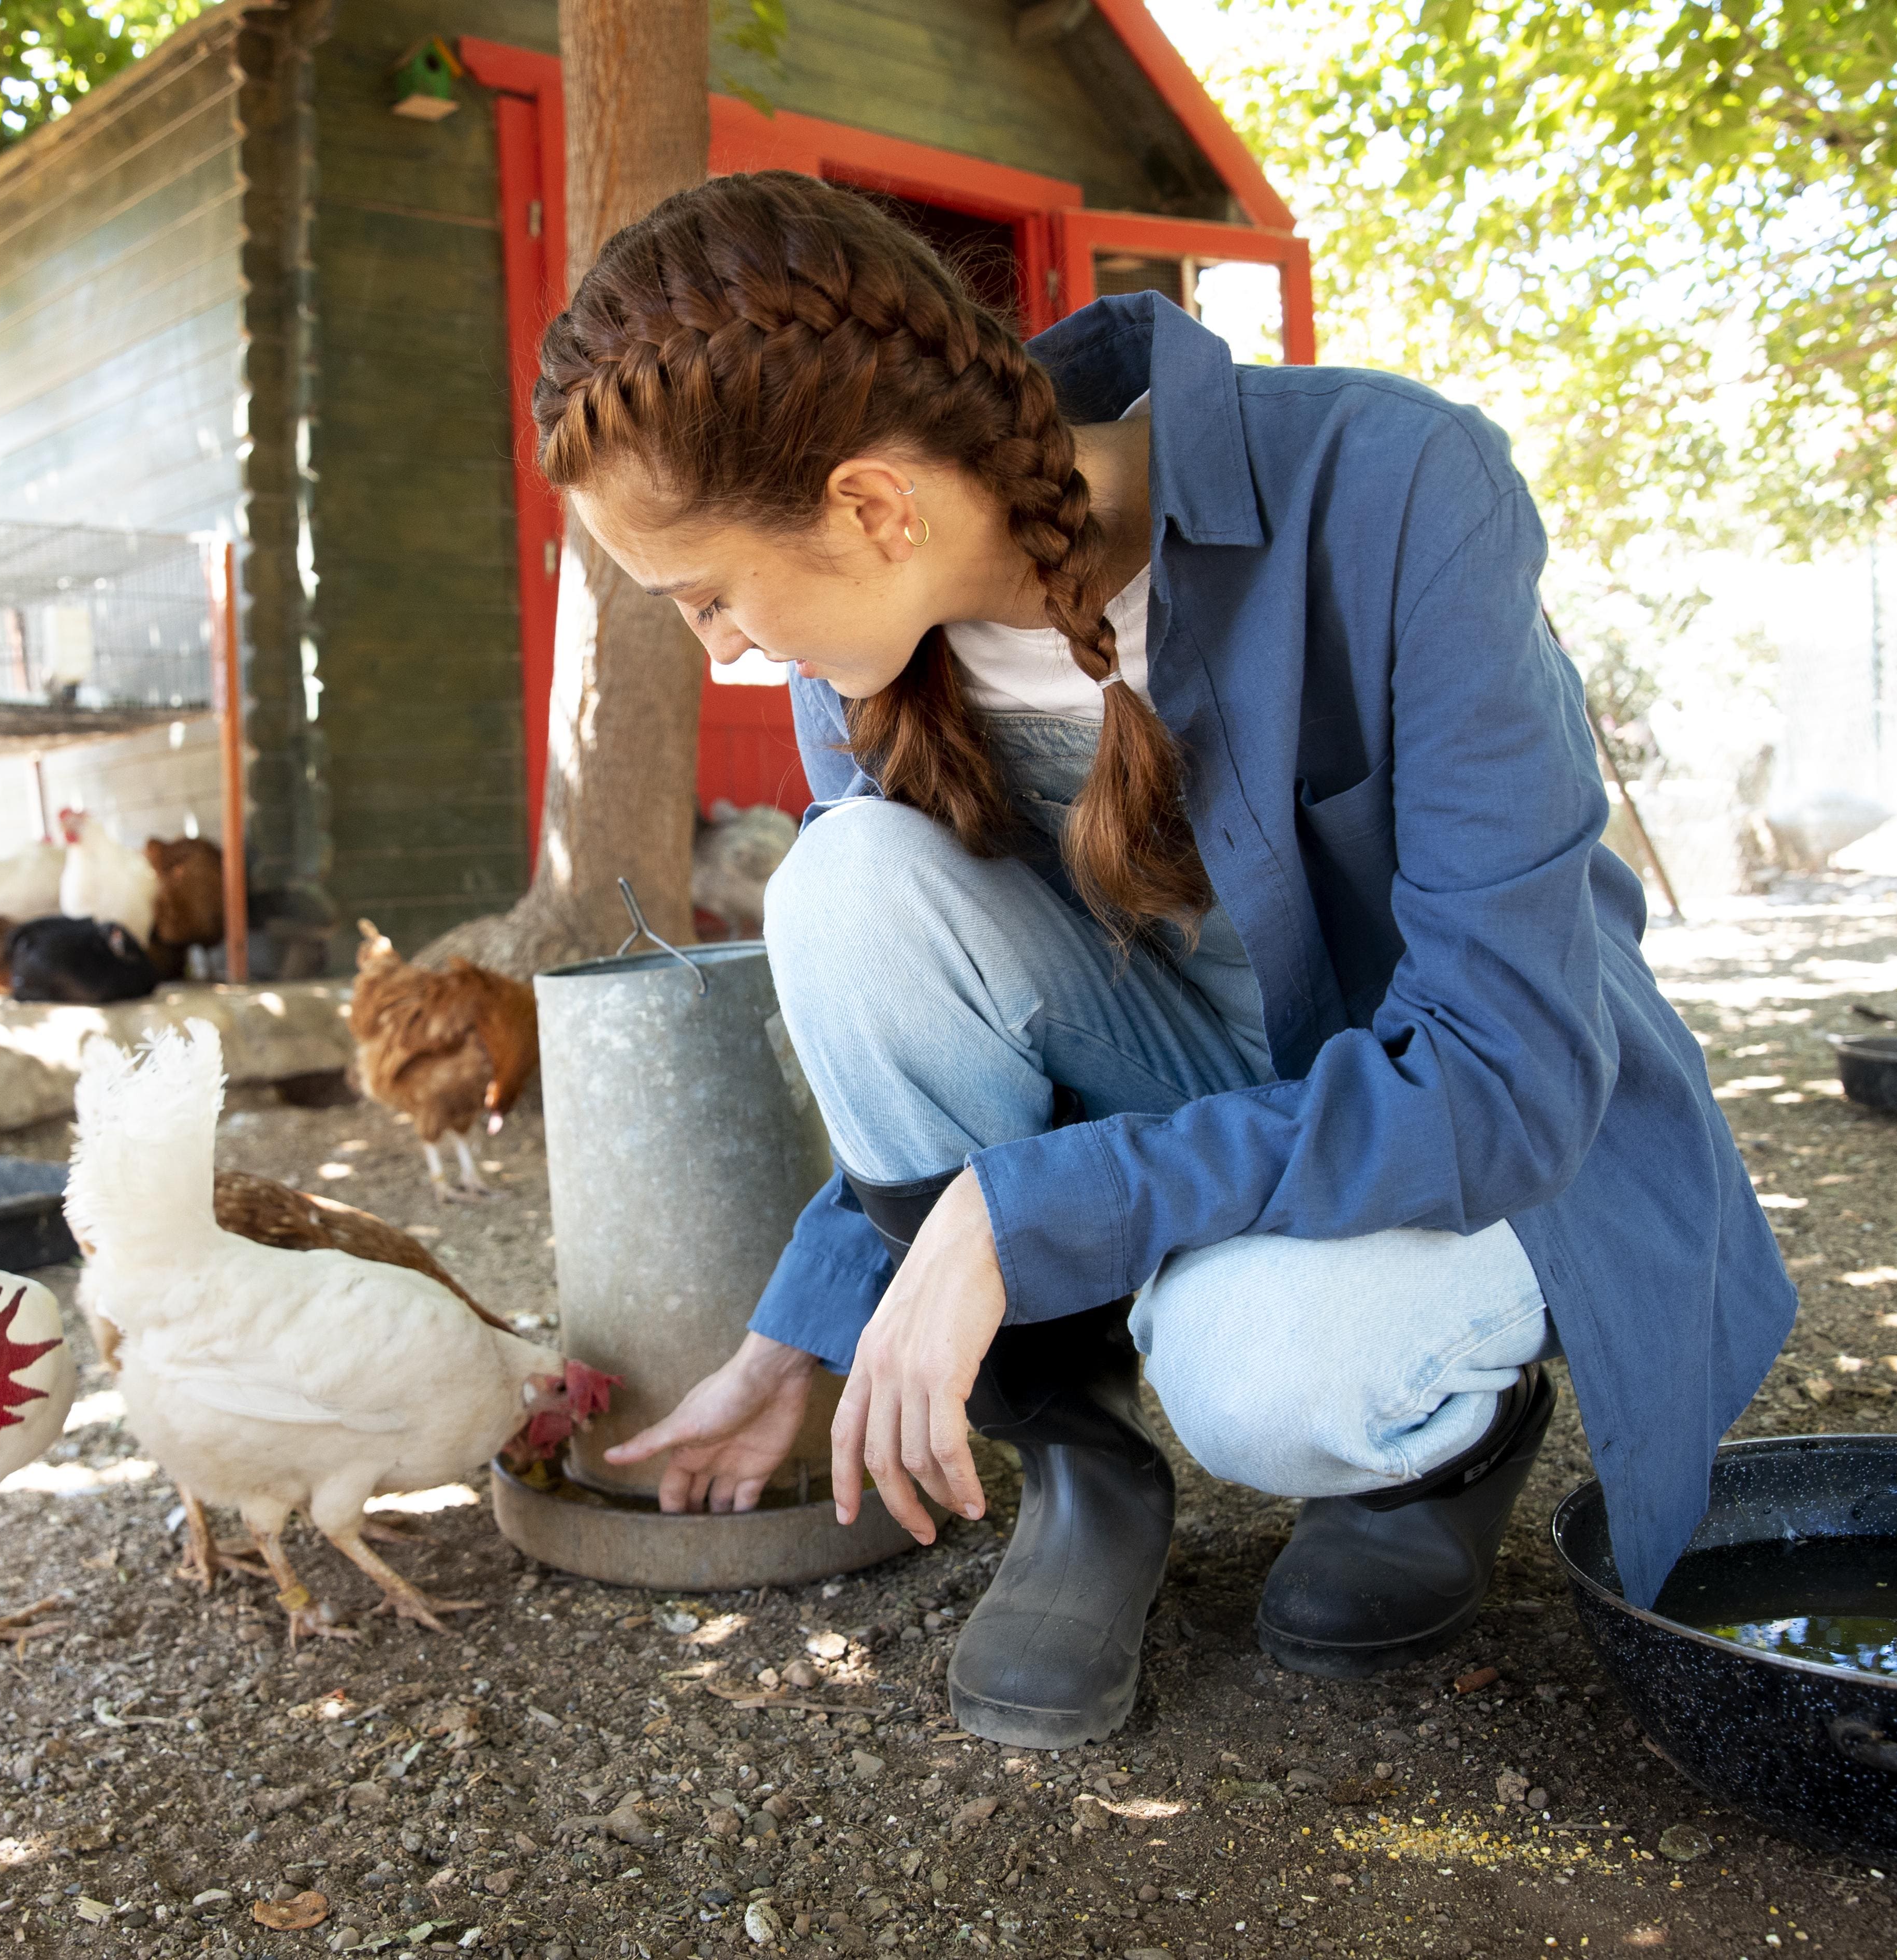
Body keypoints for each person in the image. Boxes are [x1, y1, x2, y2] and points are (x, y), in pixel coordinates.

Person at [555, 173, 1796, 1750]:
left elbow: (1509, 1079)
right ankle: (1082, 1468)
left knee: (1255, 1373)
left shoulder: (1404, 490)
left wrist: (1038, 1211)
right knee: (839, 885)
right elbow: (923, 1017)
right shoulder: (863, 649)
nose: (719, 646)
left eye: (708, 594)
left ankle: (1440, 1441)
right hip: (1197, 1096)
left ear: (873, 506)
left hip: (1476, 1132)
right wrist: (810, 1321)